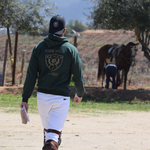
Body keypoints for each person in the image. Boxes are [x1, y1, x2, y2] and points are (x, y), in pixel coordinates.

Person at [20, 14, 85, 150]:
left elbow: (31, 76)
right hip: (61, 99)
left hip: (42, 97)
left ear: (49, 29)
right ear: (64, 31)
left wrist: (25, 98)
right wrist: (79, 93)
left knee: (48, 134)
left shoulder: (39, 48)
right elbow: (78, 76)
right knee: (52, 139)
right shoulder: (71, 50)